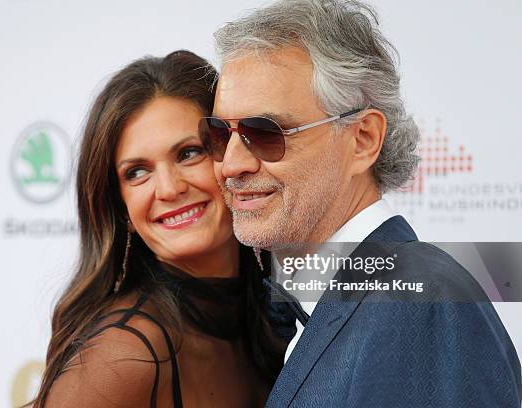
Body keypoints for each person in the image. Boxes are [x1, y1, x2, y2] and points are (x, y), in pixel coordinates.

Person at [200, 0, 522, 406]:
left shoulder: (418, 306)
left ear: (363, 139)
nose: (230, 164)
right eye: (219, 134)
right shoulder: (332, 299)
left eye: (266, 132)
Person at [27, 50, 286, 408]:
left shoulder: (279, 313)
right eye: (137, 172)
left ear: (232, 157)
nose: (168, 188)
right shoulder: (121, 357)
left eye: (189, 153)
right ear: (122, 209)